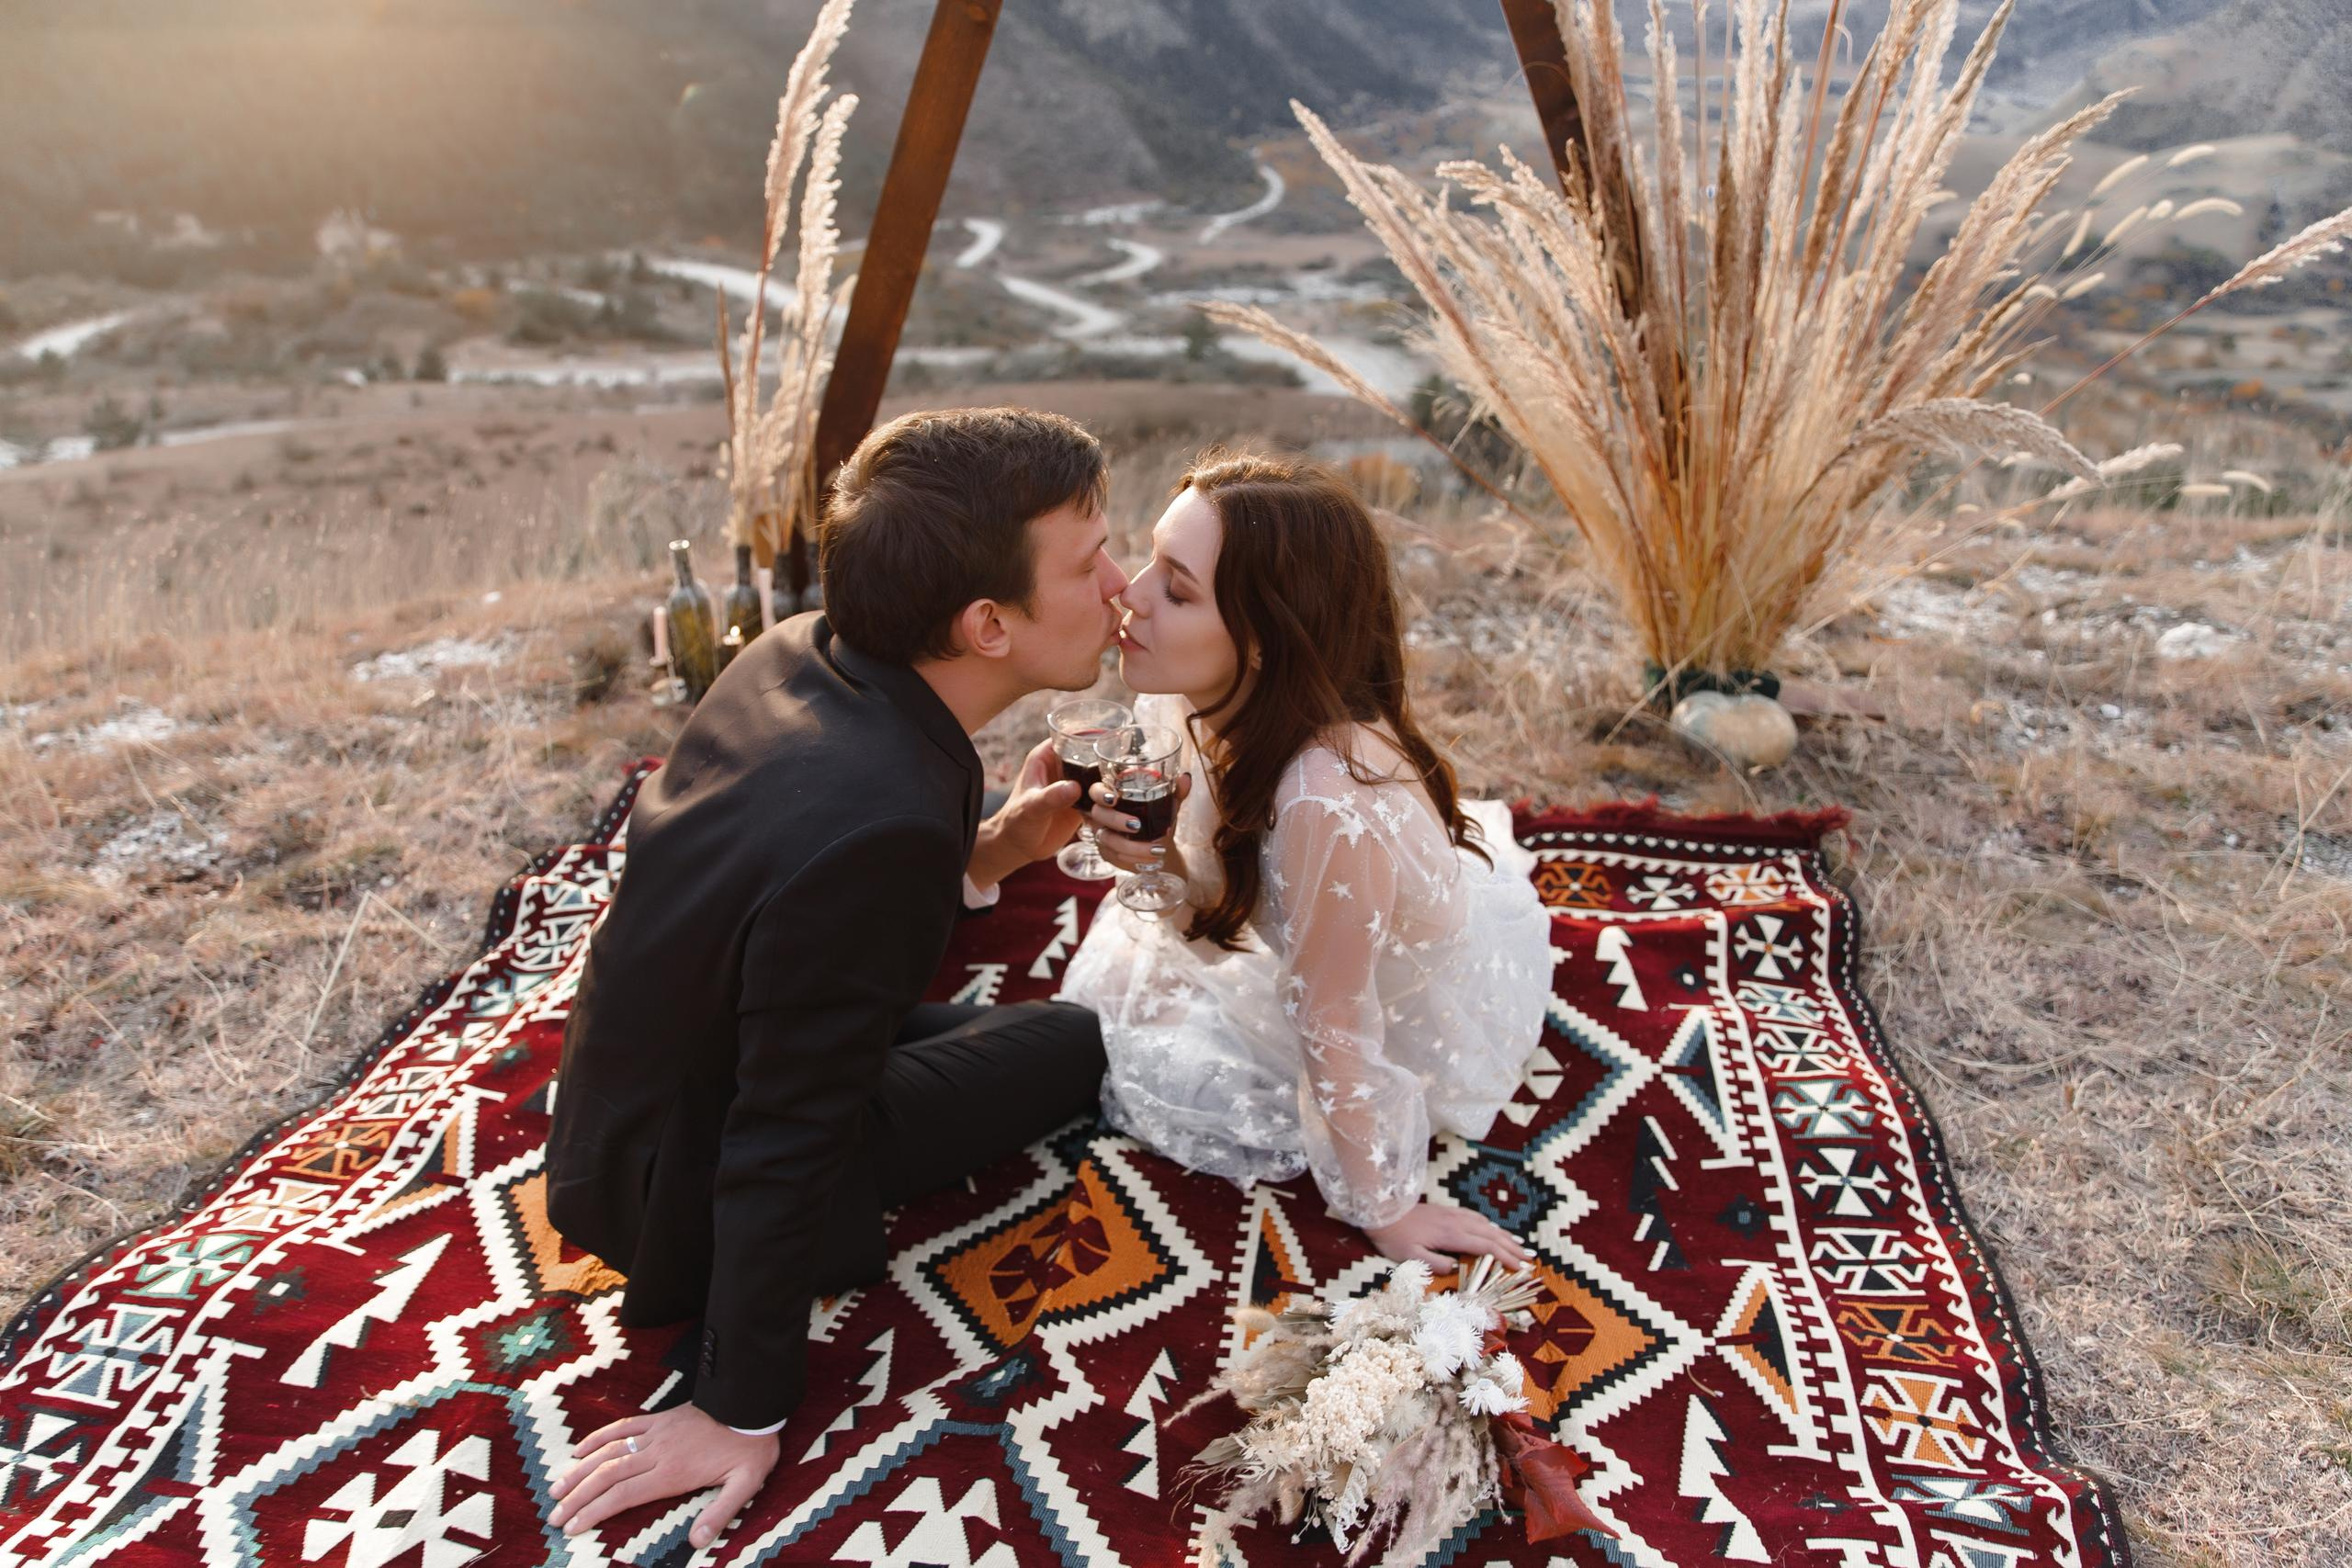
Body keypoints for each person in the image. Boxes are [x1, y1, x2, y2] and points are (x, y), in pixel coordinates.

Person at [544, 408, 1127, 1549]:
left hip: (632, 1101)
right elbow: (787, 1133)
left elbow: (788, 909)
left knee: (949, 1027)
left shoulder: (801, 650)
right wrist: (737, 1407)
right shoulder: (885, 825)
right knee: (1068, 1040)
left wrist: (997, 848)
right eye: (1088, 559)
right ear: (985, 623)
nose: (1123, 578)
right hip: (682, 1186)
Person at [1058, 449, 1553, 1270]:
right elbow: (1213, 896)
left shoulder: (1327, 800)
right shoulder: (1192, 696)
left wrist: (1387, 1205)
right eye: (1151, 561)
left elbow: (1336, 1016)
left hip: (1397, 1010)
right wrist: (1158, 861)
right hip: (1319, 941)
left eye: (1176, 588)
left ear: (1262, 641)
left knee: (1169, 1065)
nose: (1130, 594)